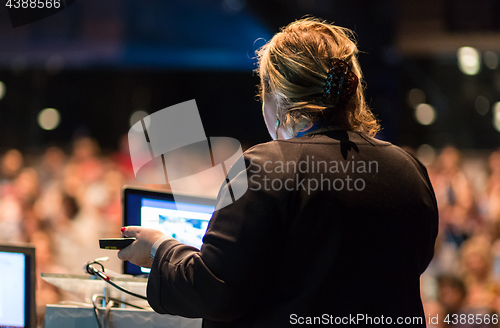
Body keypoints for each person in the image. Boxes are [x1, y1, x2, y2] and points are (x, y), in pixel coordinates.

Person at [118, 17, 439, 327]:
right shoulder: (409, 170)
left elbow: (213, 289)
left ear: (278, 98)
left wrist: (160, 248)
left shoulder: (264, 165)